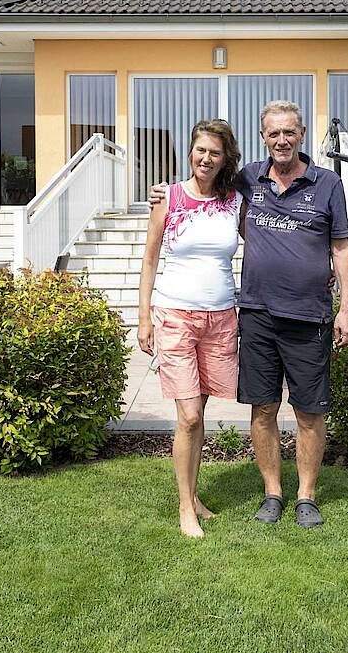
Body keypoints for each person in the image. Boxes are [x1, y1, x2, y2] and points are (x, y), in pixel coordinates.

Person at [150, 100, 348, 528]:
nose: (282, 140)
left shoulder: (328, 183)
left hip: (308, 315)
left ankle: (306, 496)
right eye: (273, 133)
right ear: (263, 138)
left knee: (308, 411)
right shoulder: (248, 181)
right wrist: (165, 193)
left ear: (301, 135)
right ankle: (272, 493)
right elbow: (205, 190)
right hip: (257, 313)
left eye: (290, 132)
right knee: (262, 408)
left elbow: (340, 246)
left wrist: (347, 306)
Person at [137, 119, 243, 539]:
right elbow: (149, 260)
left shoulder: (236, 201)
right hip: (175, 315)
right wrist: (143, 317)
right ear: (191, 151)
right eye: (200, 149)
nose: (206, 158)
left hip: (220, 318)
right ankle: (186, 507)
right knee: (189, 416)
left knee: (200, 417)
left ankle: (194, 494)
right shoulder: (169, 198)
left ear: (224, 158)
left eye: (214, 152)